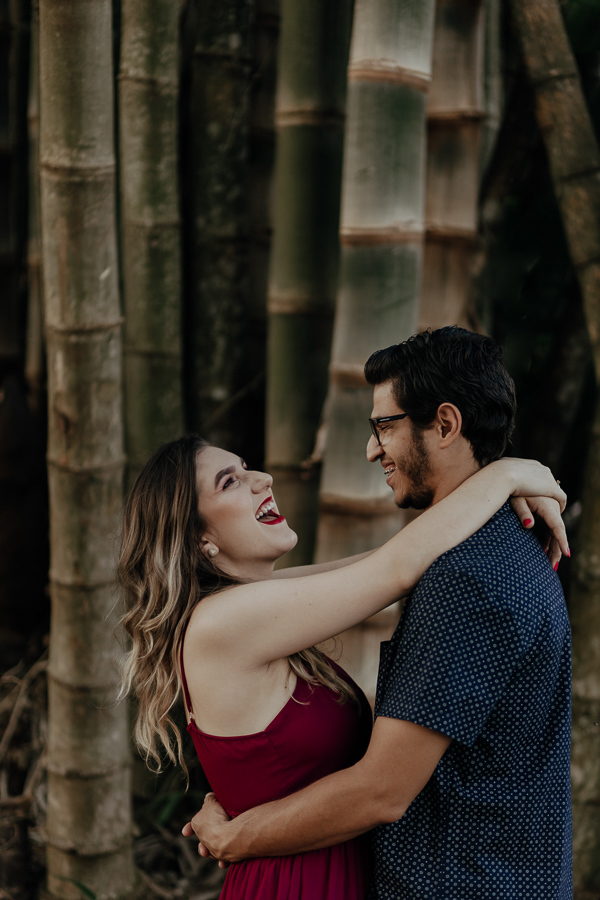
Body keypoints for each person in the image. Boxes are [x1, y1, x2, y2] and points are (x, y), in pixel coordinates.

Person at [183, 327, 572, 900]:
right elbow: (387, 567)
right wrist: (507, 473)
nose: (371, 450)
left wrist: (238, 836)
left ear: (444, 424)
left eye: (384, 426)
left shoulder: (465, 576)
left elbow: (382, 791)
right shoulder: (486, 551)